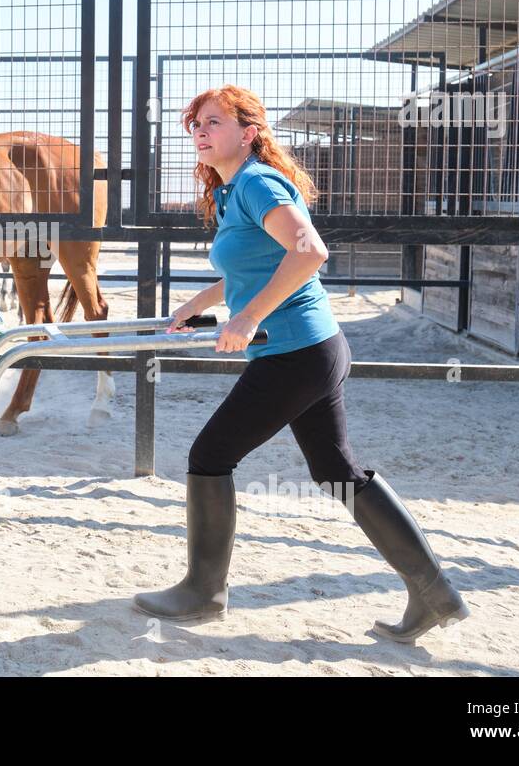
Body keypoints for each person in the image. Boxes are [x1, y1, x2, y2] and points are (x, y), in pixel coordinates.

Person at [132, 85, 469, 643]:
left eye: (213, 122)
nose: (199, 131)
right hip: (312, 349)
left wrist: (247, 319)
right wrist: (203, 304)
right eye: (195, 123)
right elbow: (258, 265)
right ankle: (436, 595)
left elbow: (309, 251)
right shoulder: (233, 188)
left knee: (210, 455)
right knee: (337, 474)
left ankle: (202, 591)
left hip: (295, 353)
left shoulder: (258, 182)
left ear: (249, 133)